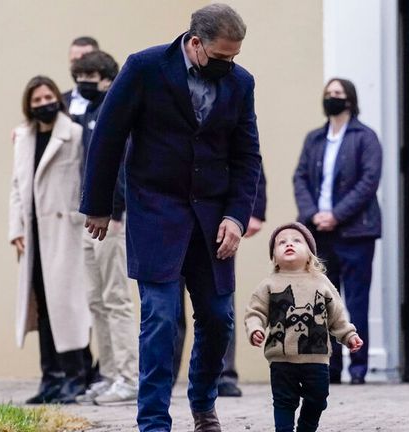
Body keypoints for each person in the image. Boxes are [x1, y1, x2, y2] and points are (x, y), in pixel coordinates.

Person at [80, 4, 262, 430]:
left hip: (214, 219)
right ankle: (154, 421)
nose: (229, 65)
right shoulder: (144, 68)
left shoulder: (241, 83)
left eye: (235, 57)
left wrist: (237, 217)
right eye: (221, 58)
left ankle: (203, 403)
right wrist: (99, 205)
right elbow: (109, 134)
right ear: (194, 43)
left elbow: (247, 155)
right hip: (155, 212)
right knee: (160, 317)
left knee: (219, 318)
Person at [292, 78, 382, 385]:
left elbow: (368, 183)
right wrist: (312, 215)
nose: (332, 98)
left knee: (355, 301)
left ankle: (358, 368)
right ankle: (330, 368)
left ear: (351, 99)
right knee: (324, 302)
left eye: (338, 94)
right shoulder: (314, 139)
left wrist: (337, 215)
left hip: (356, 233)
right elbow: (300, 177)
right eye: (328, 94)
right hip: (321, 233)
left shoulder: (365, 137)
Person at [9, 75, 92, 405]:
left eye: (48, 97)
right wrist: (15, 229)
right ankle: (51, 378)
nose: (43, 104)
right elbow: (16, 188)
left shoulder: (74, 133)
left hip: (65, 232)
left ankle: (76, 377)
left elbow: (86, 178)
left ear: (58, 98)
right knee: (42, 306)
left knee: (68, 306)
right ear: (28, 105)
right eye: (37, 100)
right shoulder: (23, 138)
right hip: (33, 235)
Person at [244, 222, 363, 432]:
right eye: (281, 243)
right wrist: (255, 329)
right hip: (281, 358)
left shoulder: (321, 282)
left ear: (310, 254)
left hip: (316, 357)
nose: (289, 244)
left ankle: (306, 427)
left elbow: (337, 315)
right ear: (274, 256)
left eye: (296, 241)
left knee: (318, 398)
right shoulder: (269, 285)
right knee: (284, 401)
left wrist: (348, 335)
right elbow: (256, 312)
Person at [70, 51, 139, 405]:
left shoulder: (117, 109)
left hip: (113, 217)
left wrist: (116, 210)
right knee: (96, 300)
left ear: (109, 77)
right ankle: (110, 375)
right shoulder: (86, 113)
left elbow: (122, 167)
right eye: (79, 74)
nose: (86, 81)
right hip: (90, 217)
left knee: (116, 299)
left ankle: (128, 378)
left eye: (93, 74)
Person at [172, 170, 267, 397]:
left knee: (220, 306)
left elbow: (248, 159)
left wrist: (256, 209)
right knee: (169, 309)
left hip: (216, 221)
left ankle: (223, 375)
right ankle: (166, 377)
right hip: (171, 220)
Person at [63, 36, 99, 118]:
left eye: (84, 60)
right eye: (74, 61)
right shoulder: (61, 102)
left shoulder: (110, 99)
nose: (79, 66)